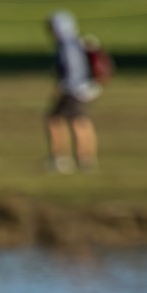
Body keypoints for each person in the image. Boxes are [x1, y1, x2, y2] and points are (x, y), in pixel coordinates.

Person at [44, 10, 99, 172]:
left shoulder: (67, 44)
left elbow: (72, 69)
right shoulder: (76, 41)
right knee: (79, 121)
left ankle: (61, 158)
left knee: (56, 121)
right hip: (82, 88)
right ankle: (85, 159)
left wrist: (63, 88)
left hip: (72, 89)